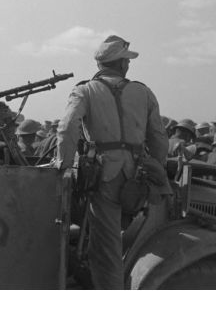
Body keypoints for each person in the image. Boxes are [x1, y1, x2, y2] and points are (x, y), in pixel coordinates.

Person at [55, 35, 167, 290]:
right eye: (127, 61)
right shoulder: (143, 91)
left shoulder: (84, 90)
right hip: (138, 176)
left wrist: (63, 166)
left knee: (106, 245)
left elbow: (67, 127)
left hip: (104, 174)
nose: (129, 65)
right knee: (128, 235)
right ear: (121, 64)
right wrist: (156, 170)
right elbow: (159, 138)